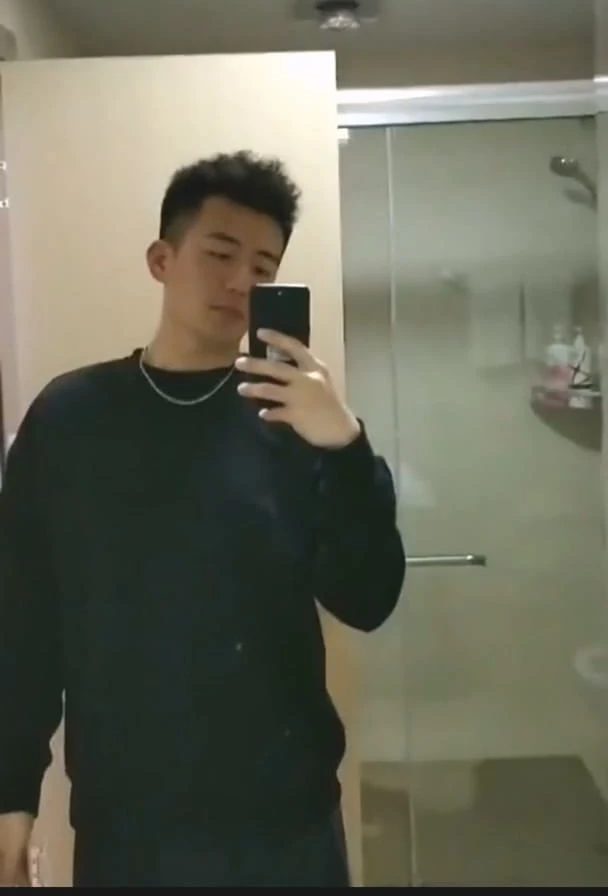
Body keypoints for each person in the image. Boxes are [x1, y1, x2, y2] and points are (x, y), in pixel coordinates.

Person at [0, 150, 405, 887]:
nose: (242, 281)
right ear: (162, 260)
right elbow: (24, 620)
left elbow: (369, 597)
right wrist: (11, 794)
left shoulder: (295, 423)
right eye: (220, 254)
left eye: (263, 266)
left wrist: (346, 446)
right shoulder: (69, 420)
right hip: (129, 826)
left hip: (287, 820)